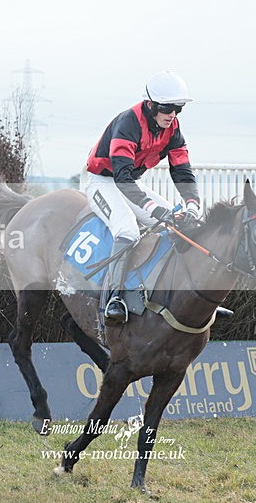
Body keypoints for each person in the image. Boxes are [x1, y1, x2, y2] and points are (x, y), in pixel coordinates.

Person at [85, 70, 201, 324]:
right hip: (103, 182)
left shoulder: (173, 129)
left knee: (176, 223)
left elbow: (182, 170)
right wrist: (153, 209)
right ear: (150, 105)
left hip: (128, 184)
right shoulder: (128, 124)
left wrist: (192, 206)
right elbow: (122, 177)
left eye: (178, 109)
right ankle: (113, 298)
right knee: (127, 230)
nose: (172, 115)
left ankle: (188, 300)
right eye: (167, 108)